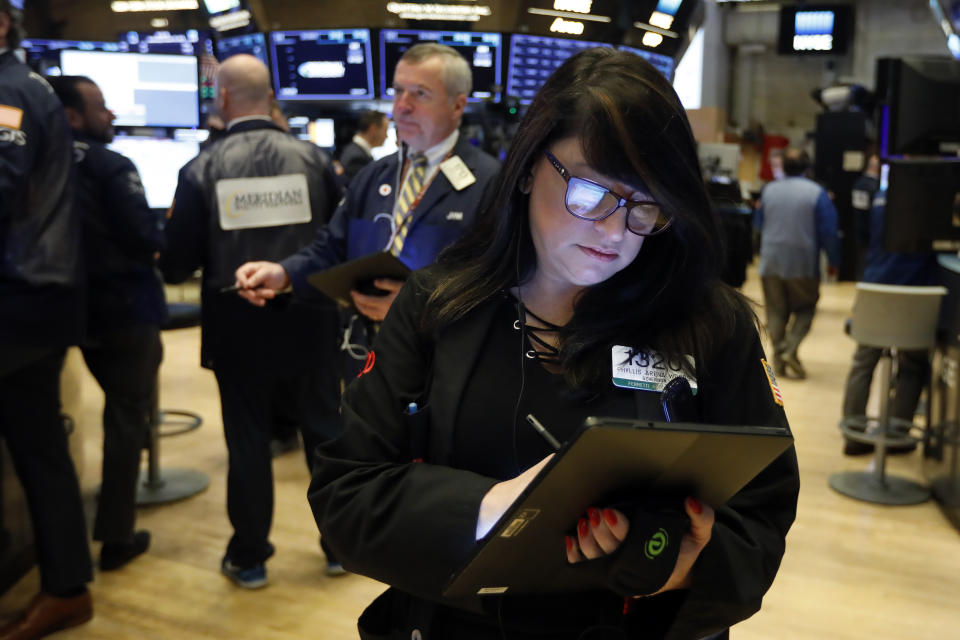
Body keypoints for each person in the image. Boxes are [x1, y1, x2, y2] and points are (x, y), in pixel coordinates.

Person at [307, 48, 800, 640]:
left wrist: (685, 569)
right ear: (526, 169)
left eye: (647, 206)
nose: (615, 232)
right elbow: (347, 493)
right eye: (592, 193)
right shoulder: (439, 305)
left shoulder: (710, 323)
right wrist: (497, 506)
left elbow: (764, 505)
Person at [158, 54, 342, 589]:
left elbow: (177, 263)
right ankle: (339, 546)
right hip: (310, 319)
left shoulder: (199, 169)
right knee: (326, 435)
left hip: (236, 326)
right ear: (272, 97)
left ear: (222, 99)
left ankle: (251, 556)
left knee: (247, 442)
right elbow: (338, 242)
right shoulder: (313, 159)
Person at [233, 42, 500, 327]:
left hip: (440, 357)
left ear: (457, 105)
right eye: (398, 91)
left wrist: (417, 307)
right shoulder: (374, 175)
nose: (402, 106)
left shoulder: (490, 181)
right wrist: (282, 273)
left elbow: (498, 282)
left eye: (420, 94)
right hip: (367, 350)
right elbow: (331, 249)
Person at [0, 2, 94, 637]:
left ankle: (65, 588)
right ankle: (64, 583)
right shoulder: (23, 85)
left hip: (20, 302)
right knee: (39, 449)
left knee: (38, 450)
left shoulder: (8, 92)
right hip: (31, 300)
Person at [49, 75, 164, 571]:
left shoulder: (40, 164)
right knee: (126, 418)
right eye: (101, 107)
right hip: (125, 311)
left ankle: (62, 535)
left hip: (62, 311)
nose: (111, 115)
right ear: (73, 116)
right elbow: (143, 235)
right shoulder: (110, 165)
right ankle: (116, 536)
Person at [840, 183, 938, 456]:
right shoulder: (936, 199)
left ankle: (853, 436)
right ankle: (896, 433)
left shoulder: (881, 196)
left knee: (863, 362)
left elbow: (864, 236)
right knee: (913, 365)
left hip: (875, 287)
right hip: (917, 294)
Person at [755, 148, 840, 379]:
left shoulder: (768, 190)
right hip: (803, 264)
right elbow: (829, 232)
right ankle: (790, 350)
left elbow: (758, 225)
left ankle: (779, 358)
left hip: (771, 260)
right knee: (806, 307)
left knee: (775, 311)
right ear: (807, 168)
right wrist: (833, 261)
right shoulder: (817, 193)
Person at [337, 109, 388, 187]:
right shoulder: (356, 157)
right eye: (385, 130)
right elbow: (361, 191)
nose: (386, 136)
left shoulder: (356, 151)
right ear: (373, 129)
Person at [850, 152, 881, 279]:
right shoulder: (868, 185)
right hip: (870, 234)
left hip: (864, 232)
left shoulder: (860, 183)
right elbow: (863, 213)